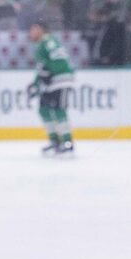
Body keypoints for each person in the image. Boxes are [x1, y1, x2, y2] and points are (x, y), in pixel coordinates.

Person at [30, 19, 77, 158]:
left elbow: (59, 60)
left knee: (58, 109)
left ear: (40, 29)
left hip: (60, 80)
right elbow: (42, 69)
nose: (30, 33)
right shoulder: (41, 45)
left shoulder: (48, 42)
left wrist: (50, 74)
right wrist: (35, 84)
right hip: (52, 81)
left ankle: (68, 143)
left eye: (33, 29)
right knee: (43, 109)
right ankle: (55, 142)